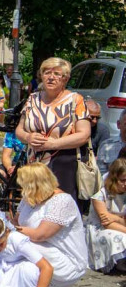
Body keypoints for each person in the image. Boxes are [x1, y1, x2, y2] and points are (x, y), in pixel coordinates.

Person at [16, 57, 91, 212]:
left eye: (57, 74)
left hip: (64, 164)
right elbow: (19, 130)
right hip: (35, 164)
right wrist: (28, 137)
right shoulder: (32, 99)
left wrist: (53, 144)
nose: (51, 77)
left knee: (60, 210)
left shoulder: (75, 100)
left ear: (65, 78)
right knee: (35, 208)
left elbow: (84, 134)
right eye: (46, 72)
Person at [13, 162, 88, 287]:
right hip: (43, 250)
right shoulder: (29, 197)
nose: (20, 188)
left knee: (15, 242)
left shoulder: (62, 201)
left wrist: (11, 231)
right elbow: (17, 221)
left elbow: (40, 235)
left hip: (66, 259)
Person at [85, 157, 126, 273]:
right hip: (99, 229)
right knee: (117, 238)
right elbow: (106, 223)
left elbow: (118, 220)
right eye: (122, 180)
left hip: (120, 226)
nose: (125, 184)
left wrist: (115, 218)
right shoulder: (101, 195)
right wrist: (119, 220)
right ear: (114, 179)